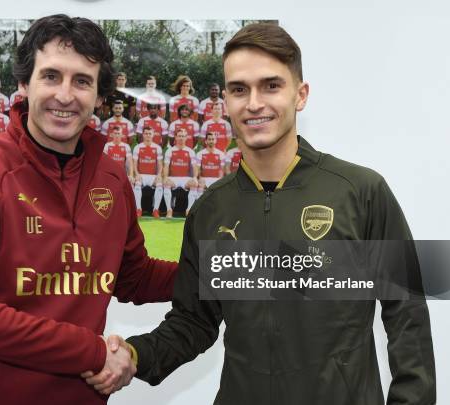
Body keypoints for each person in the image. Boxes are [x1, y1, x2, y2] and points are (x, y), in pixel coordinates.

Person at [85, 22, 436, 403]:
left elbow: (407, 315)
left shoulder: (361, 192)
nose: (254, 103)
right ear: (226, 104)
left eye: (271, 85)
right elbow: (193, 322)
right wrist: (134, 355)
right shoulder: (209, 211)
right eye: (239, 89)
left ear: (300, 95)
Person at [0, 14, 177, 405]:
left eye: (82, 81)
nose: (65, 95)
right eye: (51, 76)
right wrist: (94, 352)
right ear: (24, 84)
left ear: (99, 95)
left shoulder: (110, 177)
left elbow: (132, 276)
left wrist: (228, 272)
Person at [161, 128, 198, 218]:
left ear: (186, 138)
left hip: (186, 178)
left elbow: (195, 167)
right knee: (166, 184)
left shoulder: (190, 151)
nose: (181, 138)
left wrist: (195, 177)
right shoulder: (170, 151)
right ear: (176, 138)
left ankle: (188, 210)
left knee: (194, 184)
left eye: (183, 136)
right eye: (180, 136)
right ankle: (169, 210)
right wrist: (165, 177)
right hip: (173, 178)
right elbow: (166, 166)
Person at [132, 126, 164, 218]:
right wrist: (137, 174)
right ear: (143, 135)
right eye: (146, 133)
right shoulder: (138, 147)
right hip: (141, 175)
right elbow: (134, 163)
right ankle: (138, 209)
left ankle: (156, 210)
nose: (148, 135)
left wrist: (158, 175)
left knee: (159, 183)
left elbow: (160, 164)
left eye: (150, 133)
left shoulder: (157, 148)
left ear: (153, 135)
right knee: (137, 183)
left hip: (153, 176)